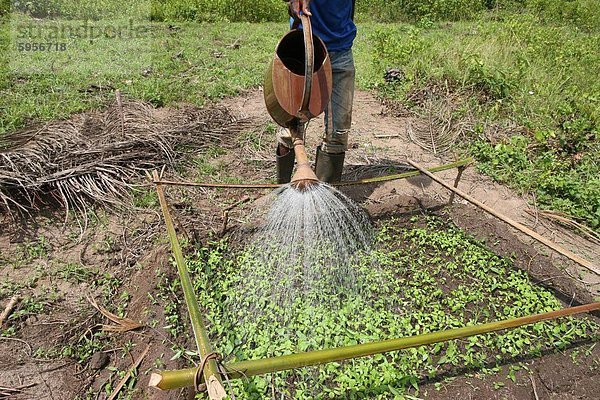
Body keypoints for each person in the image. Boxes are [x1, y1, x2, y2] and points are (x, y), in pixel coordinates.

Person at [276, 0, 357, 183]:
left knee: (338, 134)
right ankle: (283, 189)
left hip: (341, 53)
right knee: (290, 129)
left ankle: (322, 199)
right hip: (304, 48)